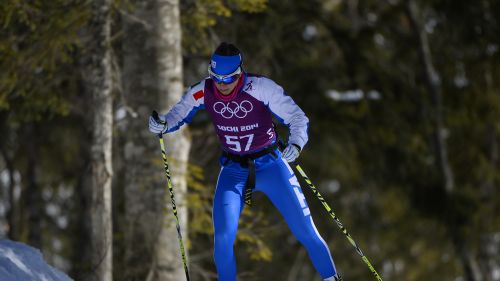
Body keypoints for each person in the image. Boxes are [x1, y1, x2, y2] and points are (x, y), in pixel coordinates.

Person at [149, 42, 341, 281]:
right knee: (222, 239)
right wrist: (163, 124)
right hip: (233, 171)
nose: (221, 84)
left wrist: (296, 144)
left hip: (272, 166)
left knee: (306, 232)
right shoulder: (203, 90)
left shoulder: (260, 87)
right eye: (216, 78)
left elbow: (297, 117)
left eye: (228, 79)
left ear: (239, 73)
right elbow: (179, 113)